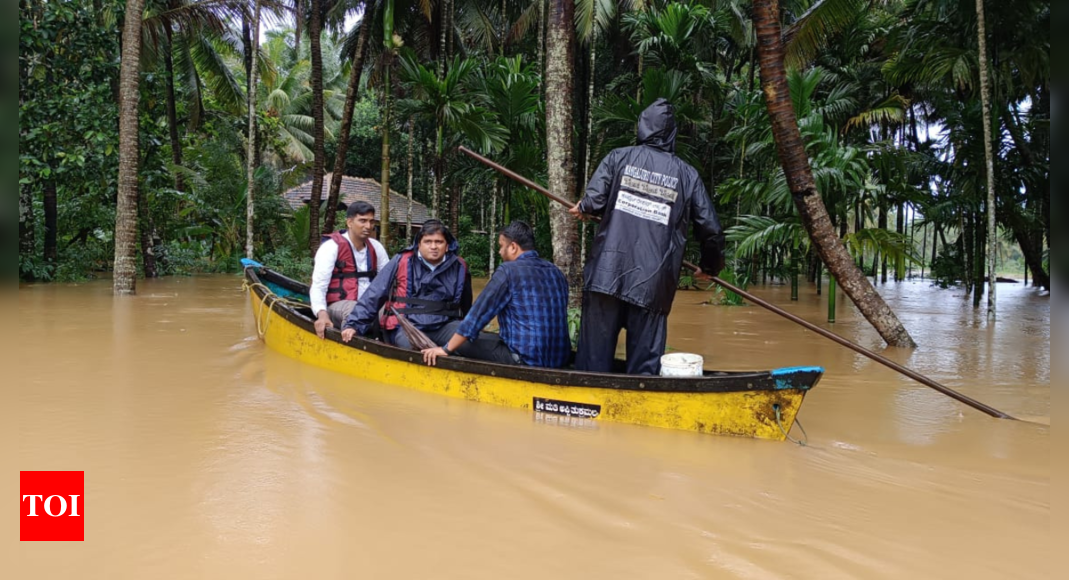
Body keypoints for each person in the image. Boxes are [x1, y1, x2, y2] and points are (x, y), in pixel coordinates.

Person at [568, 98, 725, 375]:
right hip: (653, 284)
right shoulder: (687, 175)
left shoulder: (618, 157)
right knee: (644, 371)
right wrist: (710, 267)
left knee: (593, 363)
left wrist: (584, 208)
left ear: (641, 127)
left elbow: (593, 202)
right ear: (672, 134)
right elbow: (710, 229)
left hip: (606, 274)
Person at [421, 221, 571, 368]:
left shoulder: (508, 270)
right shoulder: (555, 271)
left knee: (454, 338)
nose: (499, 251)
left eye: (501, 246)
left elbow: (477, 316)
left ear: (513, 247)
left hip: (524, 359)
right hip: (559, 358)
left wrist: (446, 349)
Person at [340, 219, 474, 351]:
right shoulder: (401, 261)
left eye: (439, 242)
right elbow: (375, 293)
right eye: (428, 242)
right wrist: (354, 325)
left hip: (445, 325)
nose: (433, 247)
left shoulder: (459, 266)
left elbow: (466, 304)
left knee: (473, 341)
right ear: (419, 244)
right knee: (414, 350)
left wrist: (470, 327)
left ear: (447, 246)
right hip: (407, 325)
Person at [311, 201, 390, 338]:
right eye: (362, 221)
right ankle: (351, 348)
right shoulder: (331, 247)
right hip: (338, 306)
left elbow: (389, 281)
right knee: (354, 310)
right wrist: (322, 314)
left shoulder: (376, 247)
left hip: (369, 305)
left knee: (395, 311)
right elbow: (318, 286)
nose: (368, 226)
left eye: (371, 222)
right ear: (349, 222)